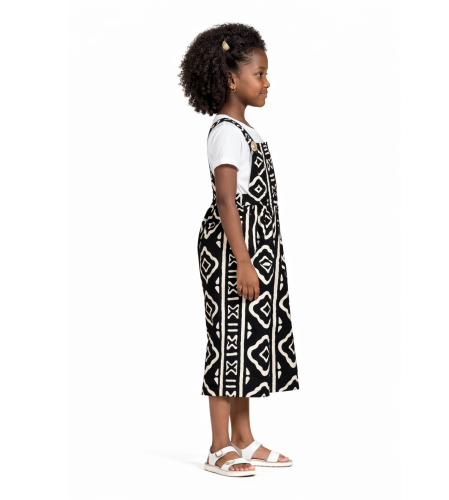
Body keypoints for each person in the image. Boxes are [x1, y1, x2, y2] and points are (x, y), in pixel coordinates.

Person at [179, 23, 300, 478]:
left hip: (253, 248)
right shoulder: (227, 133)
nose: (267, 82)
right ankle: (218, 446)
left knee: (246, 340)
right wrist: (243, 261)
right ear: (232, 79)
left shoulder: (248, 131)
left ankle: (243, 438)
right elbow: (227, 200)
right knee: (228, 340)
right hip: (233, 249)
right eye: (259, 74)